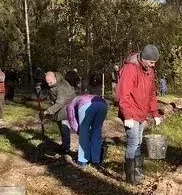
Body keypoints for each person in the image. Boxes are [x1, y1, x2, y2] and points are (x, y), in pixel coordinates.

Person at [116, 45, 161, 184]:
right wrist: (127, 116)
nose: (153, 65)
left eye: (154, 63)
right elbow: (123, 94)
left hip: (142, 113)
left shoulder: (149, 71)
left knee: (139, 143)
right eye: (151, 62)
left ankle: (137, 171)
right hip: (131, 113)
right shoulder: (130, 69)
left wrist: (155, 113)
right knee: (133, 143)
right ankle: (130, 176)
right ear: (143, 59)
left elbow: (151, 94)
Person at [67, 93, 108, 167]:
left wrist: (78, 131)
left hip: (85, 106)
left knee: (84, 133)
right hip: (103, 105)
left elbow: (72, 120)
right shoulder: (82, 97)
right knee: (96, 132)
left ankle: (82, 160)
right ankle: (95, 160)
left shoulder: (70, 105)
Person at [43, 71, 76, 155]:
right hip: (60, 108)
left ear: (55, 78)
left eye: (50, 83)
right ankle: (64, 144)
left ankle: (66, 149)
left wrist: (48, 111)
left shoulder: (62, 86)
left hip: (67, 108)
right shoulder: (53, 83)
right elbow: (53, 94)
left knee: (64, 127)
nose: (49, 85)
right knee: (61, 126)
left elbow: (60, 103)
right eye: (47, 83)